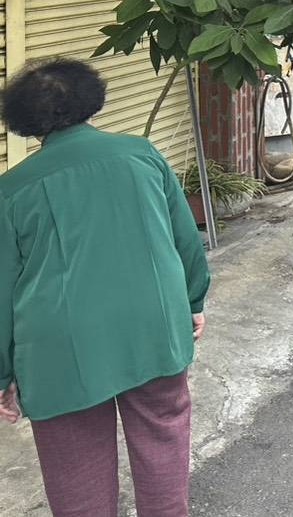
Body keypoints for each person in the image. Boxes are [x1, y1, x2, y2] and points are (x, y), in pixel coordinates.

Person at [0, 57, 209, 517]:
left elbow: (2, 289)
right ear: (91, 100)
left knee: (74, 465)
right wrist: (191, 301)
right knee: (163, 433)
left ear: (25, 120)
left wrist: (2, 374)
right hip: (153, 326)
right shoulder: (141, 154)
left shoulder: (12, 189)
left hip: (60, 350)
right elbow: (184, 239)